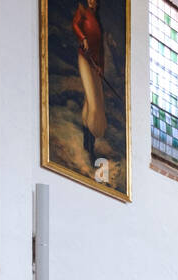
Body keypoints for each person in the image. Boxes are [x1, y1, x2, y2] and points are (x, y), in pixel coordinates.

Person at [72, 0, 106, 170]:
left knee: (90, 101)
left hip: (94, 64)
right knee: (92, 103)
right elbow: (75, 25)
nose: (92, 1)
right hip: (84, 58)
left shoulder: (97, 21)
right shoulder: (82, 11)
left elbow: (100, 48)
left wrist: (101, 67)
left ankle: (88, 143)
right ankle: (90, 149)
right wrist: (83, 38)